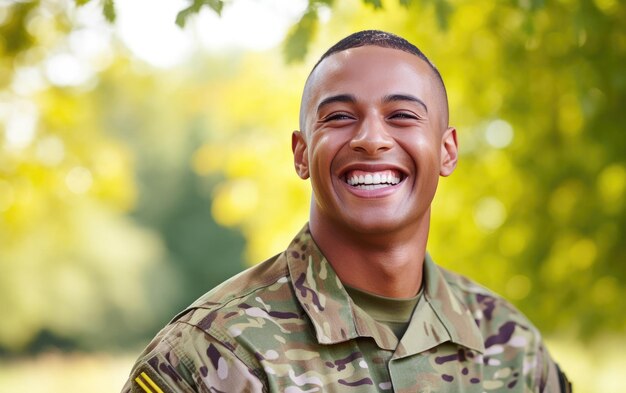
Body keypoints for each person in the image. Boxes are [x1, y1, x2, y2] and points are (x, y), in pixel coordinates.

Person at [122, 30, 571, 393]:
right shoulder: (215, 352)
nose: (371, 139)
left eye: (402, 116)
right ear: (301, 154)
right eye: (338, 117)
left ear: (447, 150)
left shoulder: (513, 350)